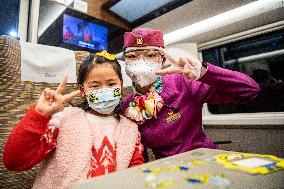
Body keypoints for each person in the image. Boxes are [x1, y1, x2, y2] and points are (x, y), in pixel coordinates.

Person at [3, 50, 144, 188]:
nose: (104, 90)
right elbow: (14, 162)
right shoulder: (64, 121)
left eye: (111, 84)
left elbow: (135, 173)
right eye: (95, 86)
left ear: (120, 84)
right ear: (82, 91)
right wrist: (40, 114)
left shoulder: (130, 129)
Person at [121, 28, 260, 160]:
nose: (140, 62)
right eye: (132, 56)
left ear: (162, 61)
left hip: (205, 159)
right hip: (167, 170)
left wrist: (204, 72)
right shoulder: (127, 106)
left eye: (150, 55)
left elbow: (249, 91)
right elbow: (138, 151)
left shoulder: (184, 83)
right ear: (125, 62)